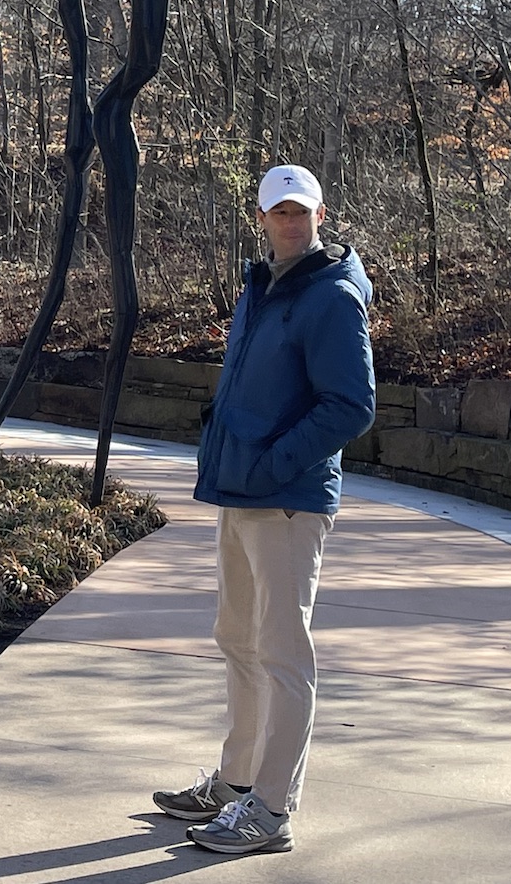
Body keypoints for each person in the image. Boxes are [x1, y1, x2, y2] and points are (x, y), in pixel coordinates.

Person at [152, 164, 376, 856]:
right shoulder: (259, 289)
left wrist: (278, 463)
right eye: (279, 212)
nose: (291, 222)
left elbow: (352, 406)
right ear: (261, 218)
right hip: (240, 491)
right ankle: (236, 782)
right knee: (238, 640)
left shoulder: (333, 296)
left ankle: (271, 810)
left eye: (301, 211)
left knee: (282, 655)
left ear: (320, 214)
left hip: (287, 501)